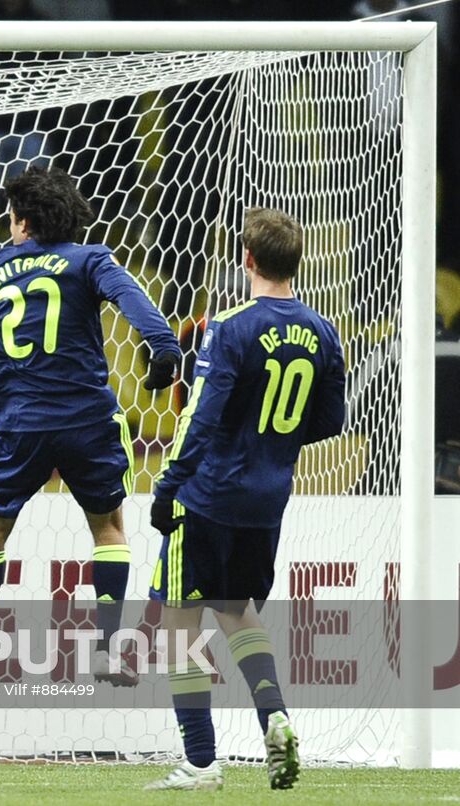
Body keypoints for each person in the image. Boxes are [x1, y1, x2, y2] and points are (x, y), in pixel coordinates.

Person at [0, 166, 181, 684]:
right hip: (87, 419)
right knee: (109, 527)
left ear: (23, 222)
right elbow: (136, 303)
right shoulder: (90, 259)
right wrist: (163, 350)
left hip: (19, 422)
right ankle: (110, 650)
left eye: (10, 217)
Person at [144, 207, 345, 791]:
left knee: (178, 627)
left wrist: (167, 486)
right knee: (236, 611)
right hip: (267, 500)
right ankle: (274, 714)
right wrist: (271, 440)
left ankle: (201, 762)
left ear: (248, 259)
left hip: (209, 494)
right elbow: (332, 419)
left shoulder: (229, 327)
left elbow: (199, 418)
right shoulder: (323, 330)